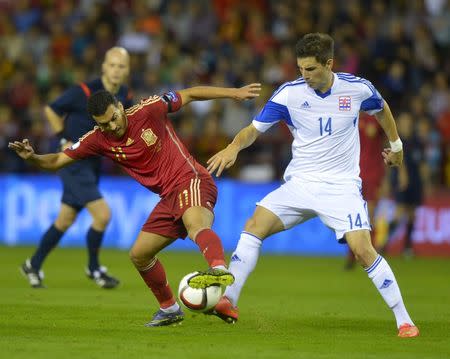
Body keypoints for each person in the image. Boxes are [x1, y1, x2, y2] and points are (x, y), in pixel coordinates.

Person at [207, 33, 419, 338]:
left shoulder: (357, 89)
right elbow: (253, 130)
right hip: (300, 184)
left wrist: (396, 145)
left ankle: (404, 320)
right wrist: (233, 147)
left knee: (362, 250)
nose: (304, 76)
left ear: (328, 64)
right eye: (300, 69)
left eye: (310, 69)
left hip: (341, 187)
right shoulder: (288, 95)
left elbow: (382, 109)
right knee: (254, 225)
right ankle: (229, 300)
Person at [9, 82, 261, 327]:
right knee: (139, 255)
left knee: (195, 225)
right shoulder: (98, 139)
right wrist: (33, 158)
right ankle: (169, 308)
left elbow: (191, 94)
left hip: (190, 179)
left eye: (114, 117)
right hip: (168, 197)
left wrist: (233, 93)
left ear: (119, 106)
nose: (112, 126)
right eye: (104, 124)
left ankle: (218, 269)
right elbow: (56, 161)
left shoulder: (148, 109)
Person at [20, 47, 133, 290]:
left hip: (93, 164)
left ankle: (33, 263)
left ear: (127, 70)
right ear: (104, 66)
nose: (116, 70)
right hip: (73, 162)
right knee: (103, 215)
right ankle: (94, 268)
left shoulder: (125, 95)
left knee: (65, 218)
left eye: (121, 66)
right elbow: (51, 109)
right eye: (112, 65)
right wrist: (62, 138)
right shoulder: (84, 91)